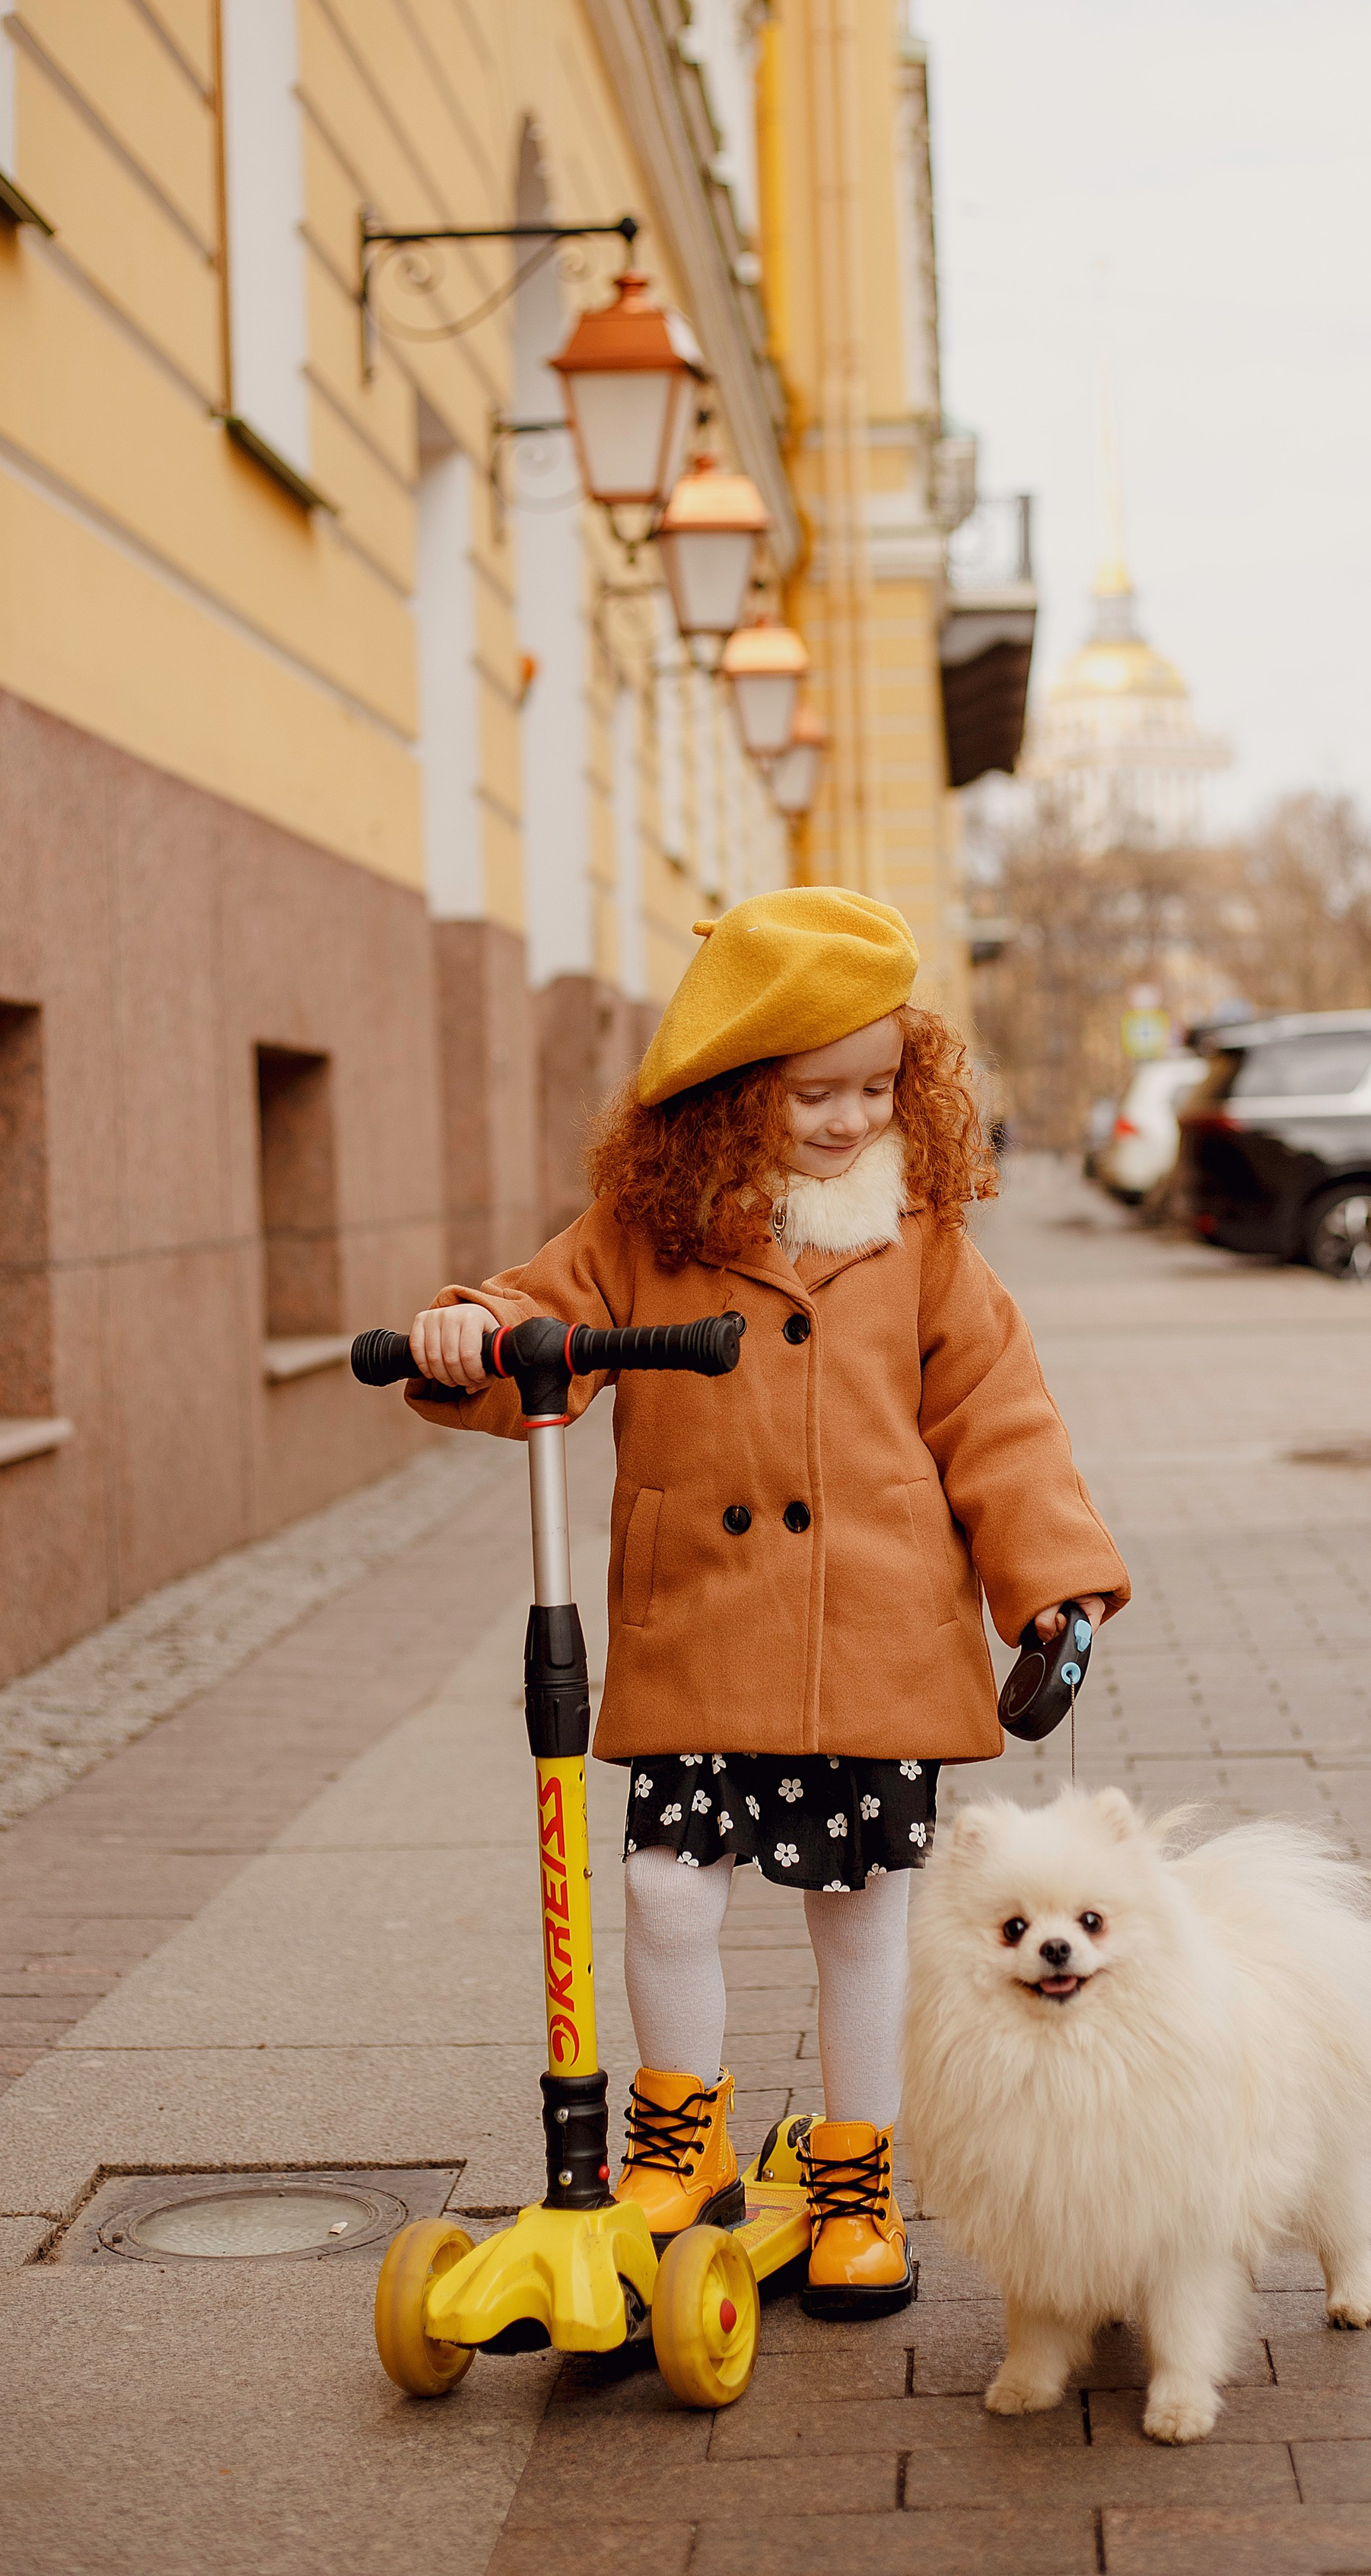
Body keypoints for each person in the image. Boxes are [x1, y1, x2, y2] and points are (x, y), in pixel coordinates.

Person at [405, 886, 1128, 2319]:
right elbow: (525, 1315)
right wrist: (469, 1333)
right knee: (665, 1893)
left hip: (874, 1641)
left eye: (877, 1089)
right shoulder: (643, 1229)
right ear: (729, 1095)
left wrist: (1052, 1590)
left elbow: (1002, 1418)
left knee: (861, 1911)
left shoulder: (921, 1243)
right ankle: (681, 2150)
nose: (853, 1120)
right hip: (704, 1635)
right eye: (815, 1094)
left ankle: (854, 2177)